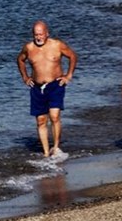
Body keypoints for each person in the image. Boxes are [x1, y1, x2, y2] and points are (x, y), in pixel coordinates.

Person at [16, 21, 77, 161]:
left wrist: (68, 75)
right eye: (36, 35)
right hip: (37, 87)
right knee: (41, 120)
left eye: (41, 34)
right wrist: (25, 77)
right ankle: (45, 152)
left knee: (54, 116)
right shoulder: (29, 48)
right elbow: (20, 60)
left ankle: (55, 148)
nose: (39, 37)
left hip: (55, 85)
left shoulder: (57, 45)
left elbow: (73, 56)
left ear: (47, 33)